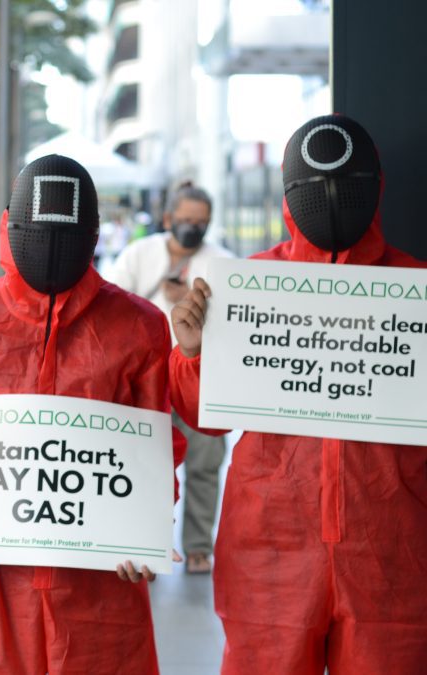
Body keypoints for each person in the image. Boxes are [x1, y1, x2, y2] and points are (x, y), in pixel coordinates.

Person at [0, 154, 184, 674]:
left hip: (99, 584)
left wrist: (144, 528)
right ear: (10, 226)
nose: (50, 250)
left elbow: (155, 442)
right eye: (36, 234)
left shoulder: (139, 327)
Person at [170, 115, 427, 674]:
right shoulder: (247, 286)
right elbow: (204, 419)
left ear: (375, 190)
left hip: (394, 552)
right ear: (291, 199)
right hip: (269, 547)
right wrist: (192, 353)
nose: (333, 202)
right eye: (316, 191)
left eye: (348, 188)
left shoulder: (417, 292)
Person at [104, 182, 233, 574]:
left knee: (205, 465)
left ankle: (197, 547)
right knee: (146, 466)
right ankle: (147, 544)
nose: (192, 228)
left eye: (201, 222)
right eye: (185, 220)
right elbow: (112, 303)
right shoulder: (139, 254)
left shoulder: (223, 262)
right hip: (149, 379)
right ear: (167, 220)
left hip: (202, 380)